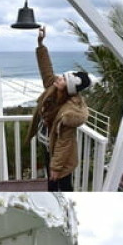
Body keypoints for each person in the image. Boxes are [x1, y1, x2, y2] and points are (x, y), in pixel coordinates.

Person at [26, 26, 91, 191]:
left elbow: (65, 142)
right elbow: (46, 69)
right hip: (48, 146)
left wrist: (56, 167)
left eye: (63, 79)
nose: (59, 78)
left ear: (68, 88)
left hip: (61, 156)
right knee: (52, 184)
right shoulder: (53, 89)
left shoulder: (69, 113)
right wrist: (41, 44)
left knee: (62, 186)